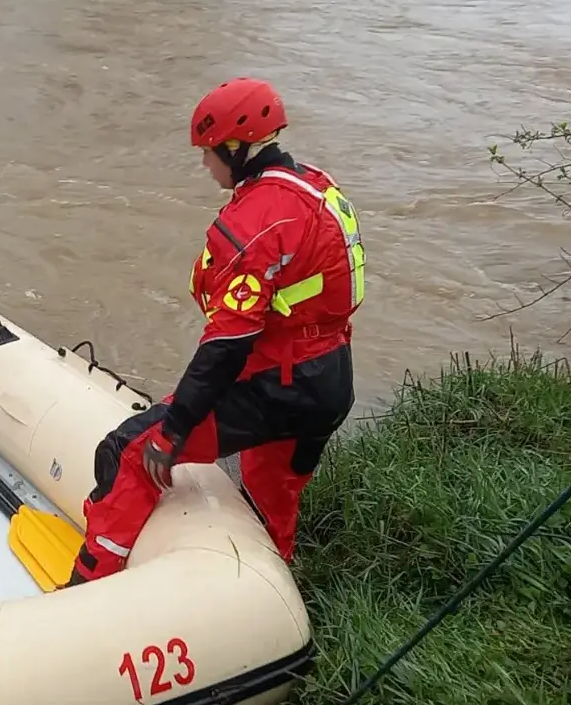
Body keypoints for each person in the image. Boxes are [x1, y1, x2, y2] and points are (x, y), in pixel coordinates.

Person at [65, 78, 363, 586]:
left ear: (237, 147)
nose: (205, 163)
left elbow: (225, 346)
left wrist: (174, 430)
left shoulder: (256, 221)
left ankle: (86, 585)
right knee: (271, 496)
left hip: (280, 379)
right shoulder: (317, 185)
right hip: (331, 378)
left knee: (128, 450)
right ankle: (270, 595)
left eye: (209, 152)